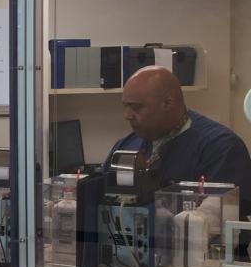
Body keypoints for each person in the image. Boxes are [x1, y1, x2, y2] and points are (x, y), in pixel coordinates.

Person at [105, 66, 251, 220]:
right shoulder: (127, 146)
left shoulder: (221, 148)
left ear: (168, 102)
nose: (127, 116)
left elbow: (224, 227)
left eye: (136, 108)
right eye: (126, 107)